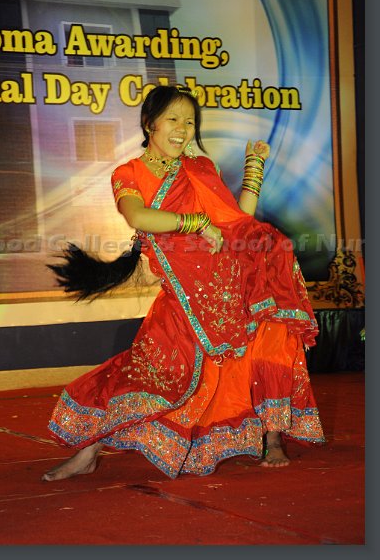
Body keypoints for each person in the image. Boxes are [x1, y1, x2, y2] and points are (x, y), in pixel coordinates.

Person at [42, 85, 324, 482]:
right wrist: (196, 222)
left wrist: (254, 168)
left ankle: (273, 439)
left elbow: (237, 220)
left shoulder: (201, 167)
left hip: (234, 283)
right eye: (173, 119)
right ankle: (88, 453)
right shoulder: (129, 173)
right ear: (149, 124)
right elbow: (139, 217)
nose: (182, 129)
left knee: (266, 350)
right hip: (186, 297)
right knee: (145, 369)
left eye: (189, 122)